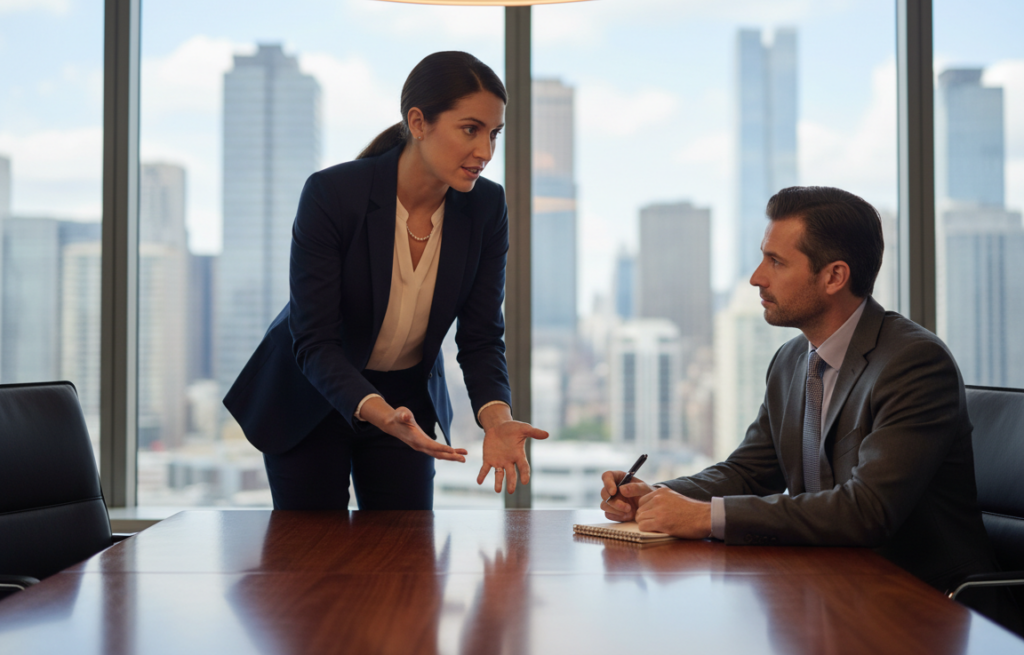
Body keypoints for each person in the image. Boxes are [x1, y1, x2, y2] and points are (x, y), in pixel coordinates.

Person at [600, 186, 1016, 622]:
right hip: (827, 593)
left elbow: (865, 511)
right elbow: (748, 471)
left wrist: (704, 518)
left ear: (834, 276)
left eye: (776, 262)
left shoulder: (913, 363)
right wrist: (657, 497)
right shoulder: (792, 360)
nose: (757, 277)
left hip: (922, 607)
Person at [224, 51, 547, 510]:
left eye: (494, 134)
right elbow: (314, 341)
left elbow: (480, 337)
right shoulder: (333, 194)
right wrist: (378, 414)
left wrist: (496, 419)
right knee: (312, 563)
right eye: (470, 129)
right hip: (311, 394)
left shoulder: (485, 208)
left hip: (406, 399)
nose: (485, 152)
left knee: (408, 560)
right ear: (418, 122)